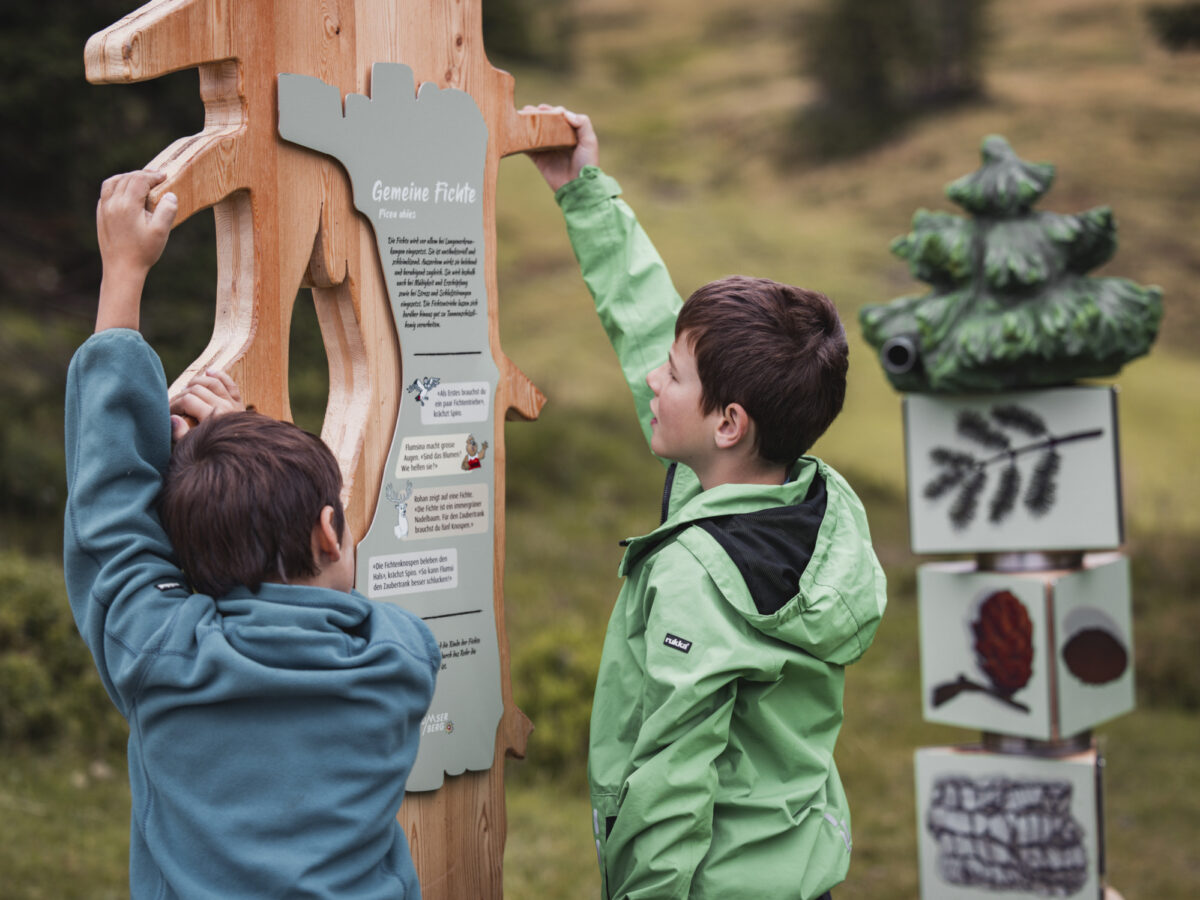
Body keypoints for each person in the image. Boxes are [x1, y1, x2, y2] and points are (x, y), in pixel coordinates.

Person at [525, 108, 888, 899]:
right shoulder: (800, 503)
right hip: (796, 876)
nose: (656, 378)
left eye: (676, 377)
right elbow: (653, 323)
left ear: (728, 422)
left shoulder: (698, 572)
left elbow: (671, 777)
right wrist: (584, 194)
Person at [64, 170, 440, 897]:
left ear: (194, 564)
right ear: (330, 533)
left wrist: (124, 274)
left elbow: (110, 520)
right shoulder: (399, 658)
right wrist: (236, 448)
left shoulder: (160, 654)